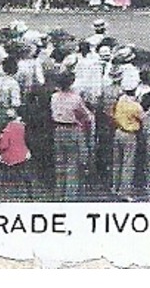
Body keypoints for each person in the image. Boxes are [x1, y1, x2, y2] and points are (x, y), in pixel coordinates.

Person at [47, 69, 95, 201]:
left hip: (58, 128)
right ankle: (70, 196)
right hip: (72, 130)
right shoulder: (75, 98)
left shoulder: (54, 97)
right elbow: (86, 116)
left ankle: (59, 193)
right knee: (72, 164)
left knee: (60, 163)